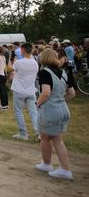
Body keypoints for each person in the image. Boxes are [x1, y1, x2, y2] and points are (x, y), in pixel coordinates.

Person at [35, 48, 75, 180]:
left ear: (43, 58)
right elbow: (72, 93)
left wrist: (38, 103)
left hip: (50, 110)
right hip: (63, 108)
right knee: (49, 136)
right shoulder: (64, 72)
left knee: (51, 138)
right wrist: (60, 100)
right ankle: (48, 164)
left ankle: (63, 169)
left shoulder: (44, 72)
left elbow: (45, 92)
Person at [11, 42, 39, 140]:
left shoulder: (19, 62)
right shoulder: (35, 62)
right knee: (33, 112)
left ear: (23, 50)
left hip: (19, 90)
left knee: (19, 111)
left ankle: (23, 133)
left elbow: (9, 69)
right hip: (31, 90)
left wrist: (11, 60)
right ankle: (38, 132)